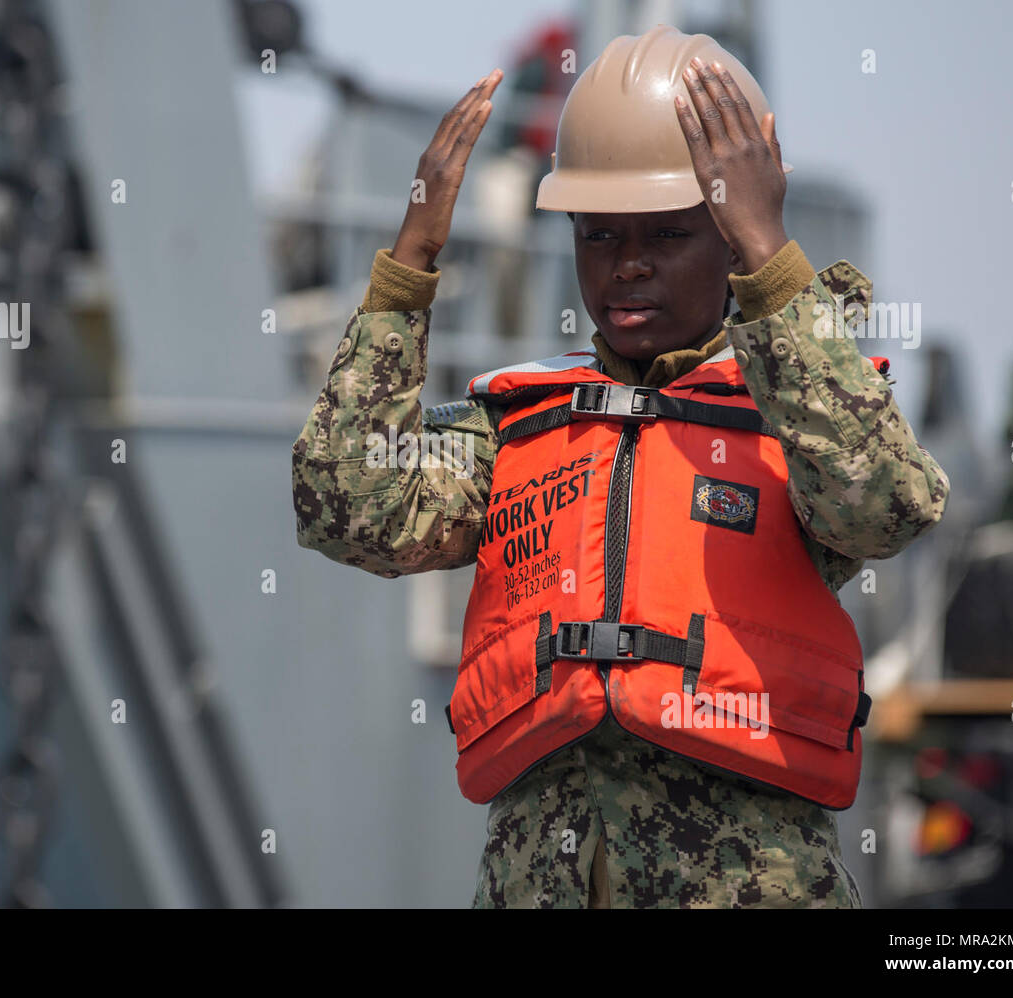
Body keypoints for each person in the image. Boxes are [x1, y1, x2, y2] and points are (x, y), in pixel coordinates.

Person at [291, 26, 950, 908]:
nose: (627, 266)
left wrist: (771, 259)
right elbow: (346, 508)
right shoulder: (520, 427)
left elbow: (885, 506)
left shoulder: (805, 416)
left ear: (728, 236)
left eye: (668, 235)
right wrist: (406, 272)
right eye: (599, 236)